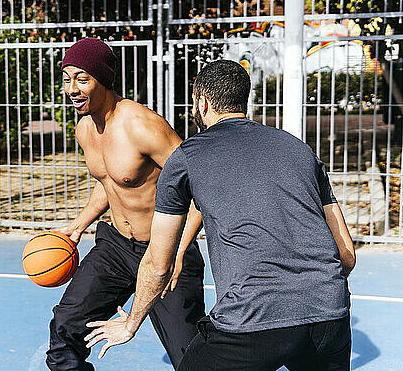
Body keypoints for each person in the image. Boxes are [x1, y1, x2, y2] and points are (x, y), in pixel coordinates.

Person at [85, 60, 356, 371]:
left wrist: (131, 323)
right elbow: (346, 255)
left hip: (251, 319)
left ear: (203, 102)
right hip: (330, 315)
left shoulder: (187, 157)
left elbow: (159, 264)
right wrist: (311, 293)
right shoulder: (299, 149)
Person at [45, 38, 206, 371]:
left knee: (192, 360)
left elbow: (201, 188)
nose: (72, 88)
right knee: (65, 331)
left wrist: (177, 250)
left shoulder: (142, 126)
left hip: (164, 250)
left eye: (82, 78)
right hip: (116, 246)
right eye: (67, 78)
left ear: (103, 80)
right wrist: (77, 227)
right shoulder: (84, 129)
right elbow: (110, 184)